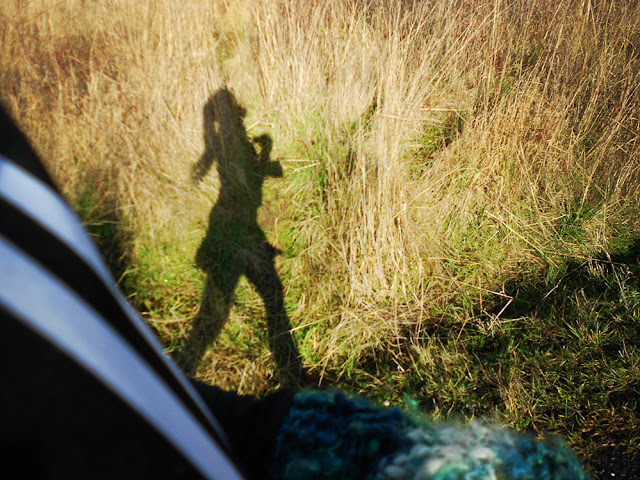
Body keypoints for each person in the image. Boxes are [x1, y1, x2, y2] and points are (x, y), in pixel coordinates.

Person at [0, 105, 590, 479]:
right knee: (229, 310)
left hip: (245, 247)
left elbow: (117, 385)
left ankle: (277, 369)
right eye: (231, 114)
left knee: (246, 308)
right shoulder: (226, 148)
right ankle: (276, 365)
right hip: (233, 237)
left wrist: (357, 448)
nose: (237, 117)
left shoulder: (15, 172)